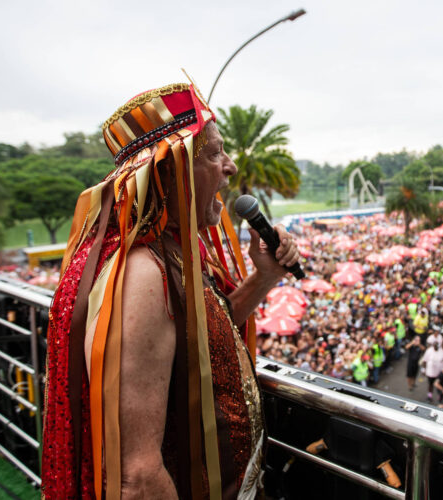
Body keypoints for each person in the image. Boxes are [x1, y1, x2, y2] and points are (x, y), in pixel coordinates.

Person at [42, 83, 300, 499]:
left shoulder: (176, 246)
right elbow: (137, 478)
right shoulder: (142, 274)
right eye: (214, 153)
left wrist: (265, 276)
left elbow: (204, 338)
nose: (230, 167)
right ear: (169, 171)